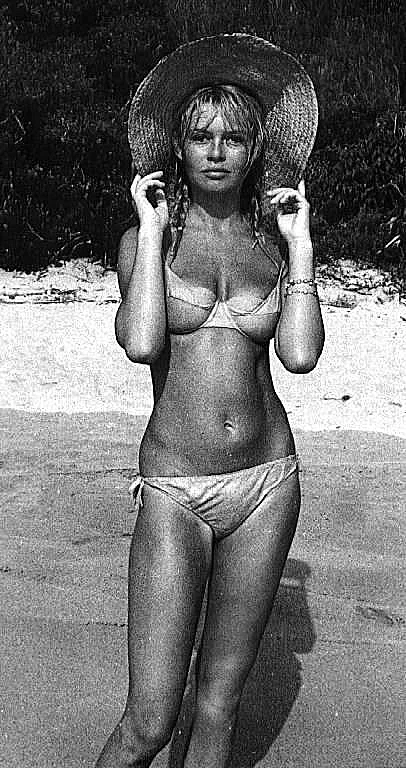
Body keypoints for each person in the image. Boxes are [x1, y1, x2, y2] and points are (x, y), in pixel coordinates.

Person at [95, 33, 324, 768]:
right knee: (150, 721)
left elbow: (300, 354)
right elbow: (141, 343)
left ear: (256, 151)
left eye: (233, 138)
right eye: (200, 137)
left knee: (219, 706)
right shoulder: (148, 244)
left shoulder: (272, 244)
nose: (217, 152)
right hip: (176, 488)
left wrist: (301, 247)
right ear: (178, 147)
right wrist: (152, 226)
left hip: (267, 483)